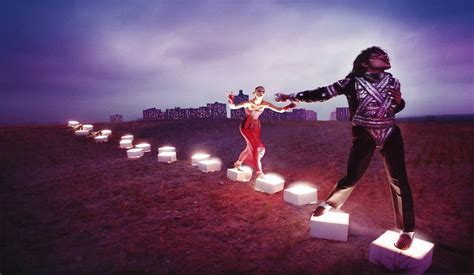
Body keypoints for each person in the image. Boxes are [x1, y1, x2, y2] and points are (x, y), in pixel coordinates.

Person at [275, 46, 415, 250]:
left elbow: (395, 107)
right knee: (352, 176)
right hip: (364, 133)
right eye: (378, 56)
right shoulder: (351, 82)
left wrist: (399, 101)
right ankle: (330, 204)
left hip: (390, 132)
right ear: (364, 63)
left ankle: (407, 230)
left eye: (385, 55)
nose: (385, 57)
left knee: (399, 180)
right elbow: (322, 93)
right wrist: (291, 96)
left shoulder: (393, 81)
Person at [228, 86, 296, 178]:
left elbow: (279, 110)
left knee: (249, 147)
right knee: (257, 147)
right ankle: (259, 172)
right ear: (254, 92)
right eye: (259, 91)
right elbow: (233, 107)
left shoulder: (265, 104)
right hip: (246, 126)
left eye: (263, 91)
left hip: (256, 127)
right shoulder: (248, 103)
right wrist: (231, 98)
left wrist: (289, 106)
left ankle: (238, 163)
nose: (261, 92)